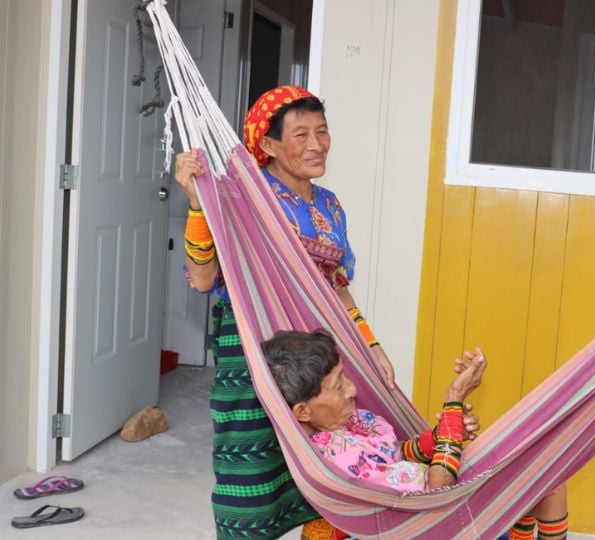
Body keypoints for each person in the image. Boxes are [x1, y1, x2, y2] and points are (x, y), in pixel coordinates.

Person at [175, 85, 397, 540]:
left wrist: (371, 347)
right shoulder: (241, 199)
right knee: (251, 478)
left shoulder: (329, 205)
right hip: (255, 357)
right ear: (269, 146)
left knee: (331, 471)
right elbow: (202, 279)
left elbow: (338, 290)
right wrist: (198, 203)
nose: (316, 145)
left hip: (318, 359)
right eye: (300, 135)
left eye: (322, 131)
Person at [263, 330, 569, 539]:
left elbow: (396, 454)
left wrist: (442, 436)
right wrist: (454, 402)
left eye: (346, 378)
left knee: (544, 477)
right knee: (541, 481)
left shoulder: (350, 424)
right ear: (302, 412)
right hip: (428, 524)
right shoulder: (333, 460)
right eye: (339, 385)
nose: (353, 390)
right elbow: (437, 489)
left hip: (436, 510)